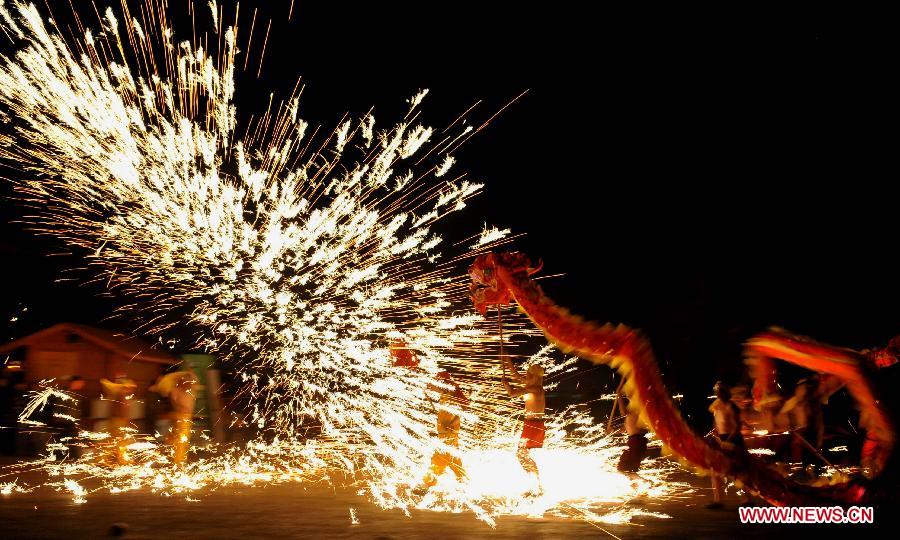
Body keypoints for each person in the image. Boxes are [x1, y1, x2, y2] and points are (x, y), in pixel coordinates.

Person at [416, 371, 468, 493]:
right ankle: (465, 484)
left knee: (438, 461)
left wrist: (444, 428)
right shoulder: (448, 397)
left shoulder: (450, 399)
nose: (435, 386)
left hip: (447, 437)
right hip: (448, 436)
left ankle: (427, 484)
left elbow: (451, 421)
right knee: (455, 463)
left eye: (437, 383)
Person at [502, 355, 546, 496]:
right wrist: (508, 361)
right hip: (532, 424)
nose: (526, 377)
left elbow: (512, 393)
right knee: (523, 455)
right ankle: (535, 486)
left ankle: (537, 486)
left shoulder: (535, 390)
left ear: (536, 378)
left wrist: (506, 385)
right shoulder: (533, 386)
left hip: (534, 425)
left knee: (521, 454)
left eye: (528, 375)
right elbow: (515, 376)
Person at [706, 381, 746, 509]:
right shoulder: (716, 406)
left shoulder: (731, 406)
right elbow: (716, 424)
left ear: (725, 392)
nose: (719, 393)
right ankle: (718, 501)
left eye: (721, 391)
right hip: (721, 440)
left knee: (736, 471)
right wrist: (716, 436)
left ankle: (745, 500)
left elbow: (737, 426)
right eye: (717, 391)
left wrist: (728, 441)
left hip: (733, 440)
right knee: (716, 470)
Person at [149, 370, 198, 466]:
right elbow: (163, 390)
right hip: (179, 418)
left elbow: (193, 378)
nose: (185, 382)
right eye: (183, 381)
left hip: (181, 417)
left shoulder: (188, 389)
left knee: (178, 440)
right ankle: (178, 462)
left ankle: (174, 459)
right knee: (179, 441)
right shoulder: (177, 390)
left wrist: (184, 374)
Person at [100, 373, 137, 465]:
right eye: (130, 387)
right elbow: (122, 410)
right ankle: (117, 460)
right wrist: (125, 420)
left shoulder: (116, 393)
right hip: (118, 421)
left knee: (114, 440)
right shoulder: (121, 395)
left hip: (115, 420)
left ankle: (107, 459)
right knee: (119, 441)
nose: (131, 389)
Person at [616, 394, 649, 474]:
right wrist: (612, 432)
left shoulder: (636, 412)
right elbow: (624, 429)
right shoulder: (631, 417)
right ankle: (635, 483)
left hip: (637, 442)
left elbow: (623, 411)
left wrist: (619, 397)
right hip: (635, 442)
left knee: (626, 467)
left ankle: (639, 483)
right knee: (626, 467)